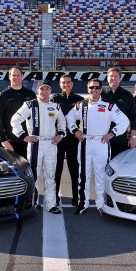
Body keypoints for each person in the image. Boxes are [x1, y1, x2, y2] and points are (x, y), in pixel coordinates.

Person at [66, 79, 129, 215]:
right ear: (88, 89)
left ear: (101, 89)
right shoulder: (80, 105)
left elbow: (124, 121)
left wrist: (112, 133)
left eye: (96, 88)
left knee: (101, 175)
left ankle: (101, 205)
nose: (94, 90)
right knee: (83, 175)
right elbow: (69, 118)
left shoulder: (109, 106)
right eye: (91, 88)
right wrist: (75, 130)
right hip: (85, 142)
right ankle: (83, 203)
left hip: (102, 143)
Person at [11, 79, 66, 214]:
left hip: (51, 144)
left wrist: (61, 135)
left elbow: (62, 122)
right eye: (42, 89)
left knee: (50, 175)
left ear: (50, 91)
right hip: (35, 143)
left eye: (47, 89)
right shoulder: (30, 105)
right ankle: (33, 202)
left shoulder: (56, 106)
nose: (44, 91)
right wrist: (23, 135)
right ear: (37, 90)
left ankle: (51, 204)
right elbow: (15, 120)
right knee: (34, 175)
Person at [51, 73, 84, 206]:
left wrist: (80, 132)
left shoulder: (80, 99)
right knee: (56, 169)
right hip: (58, 140)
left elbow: (84, 119)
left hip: (73, 140)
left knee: (74, 170)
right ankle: (54, 198)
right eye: (63, 82)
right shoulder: (54, 99)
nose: (66, 84)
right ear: (60, 84)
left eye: (68, 82)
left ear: (72, 83)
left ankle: (76, 198)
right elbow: (50, 117)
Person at [0, 66, 36, 158]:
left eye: (18, 75)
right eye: (14, 75)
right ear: (9, 76)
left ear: (22, 76)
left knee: (29, 169)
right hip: (10, 141)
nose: (16, 77)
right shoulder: (2, 95)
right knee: (12, 170)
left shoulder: (30, 94)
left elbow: (37, 116)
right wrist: (3, 139)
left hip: (28, 139)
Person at [101, 67, 134, 159]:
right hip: (103, 138)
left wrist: (133, 137)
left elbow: (134, 117)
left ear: (120, 78)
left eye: (116, 76)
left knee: (118, 165)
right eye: (111, 76)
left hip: (120, 138)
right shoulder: (101, 94)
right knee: (102, 166)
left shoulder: (127, 95)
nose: (113, 78)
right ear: (107, 78)